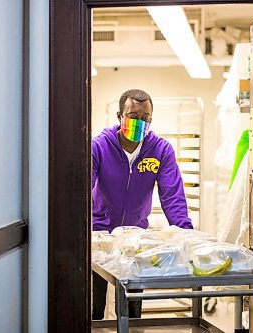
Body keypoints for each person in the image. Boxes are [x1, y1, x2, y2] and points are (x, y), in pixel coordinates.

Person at [91, 89, 193, 320]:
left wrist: (186, 234)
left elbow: (172, 194)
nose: (139, 122)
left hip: (135, 238)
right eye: (133, 116)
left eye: (145, 117)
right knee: (94, 306)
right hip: (100, 236)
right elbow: (83, 189)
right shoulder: (98, 147)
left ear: (151, 119)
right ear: (120, 116)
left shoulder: (160, 150)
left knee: (131, 307)